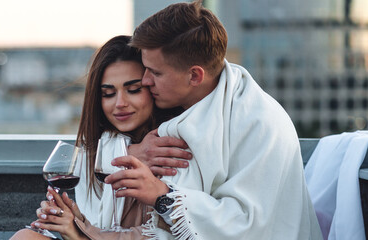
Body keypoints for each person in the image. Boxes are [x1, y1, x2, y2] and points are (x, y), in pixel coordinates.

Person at [103, 1, 323, 239]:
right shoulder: (180, 105)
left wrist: (163, 195)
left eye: (155, 72)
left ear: (195, 75)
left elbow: (247, 224)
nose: (145, 81)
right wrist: (131, 151)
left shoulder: (259, 124)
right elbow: (83, 153)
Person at [10, 35, 184, 240]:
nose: (120, 103)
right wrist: (72, 221)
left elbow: (166, 233)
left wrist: (82, 234)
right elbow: (98, 224)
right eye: (108, 93)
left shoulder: (169, 147)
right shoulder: (98, 148)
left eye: (133, 90)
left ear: (153, 88)